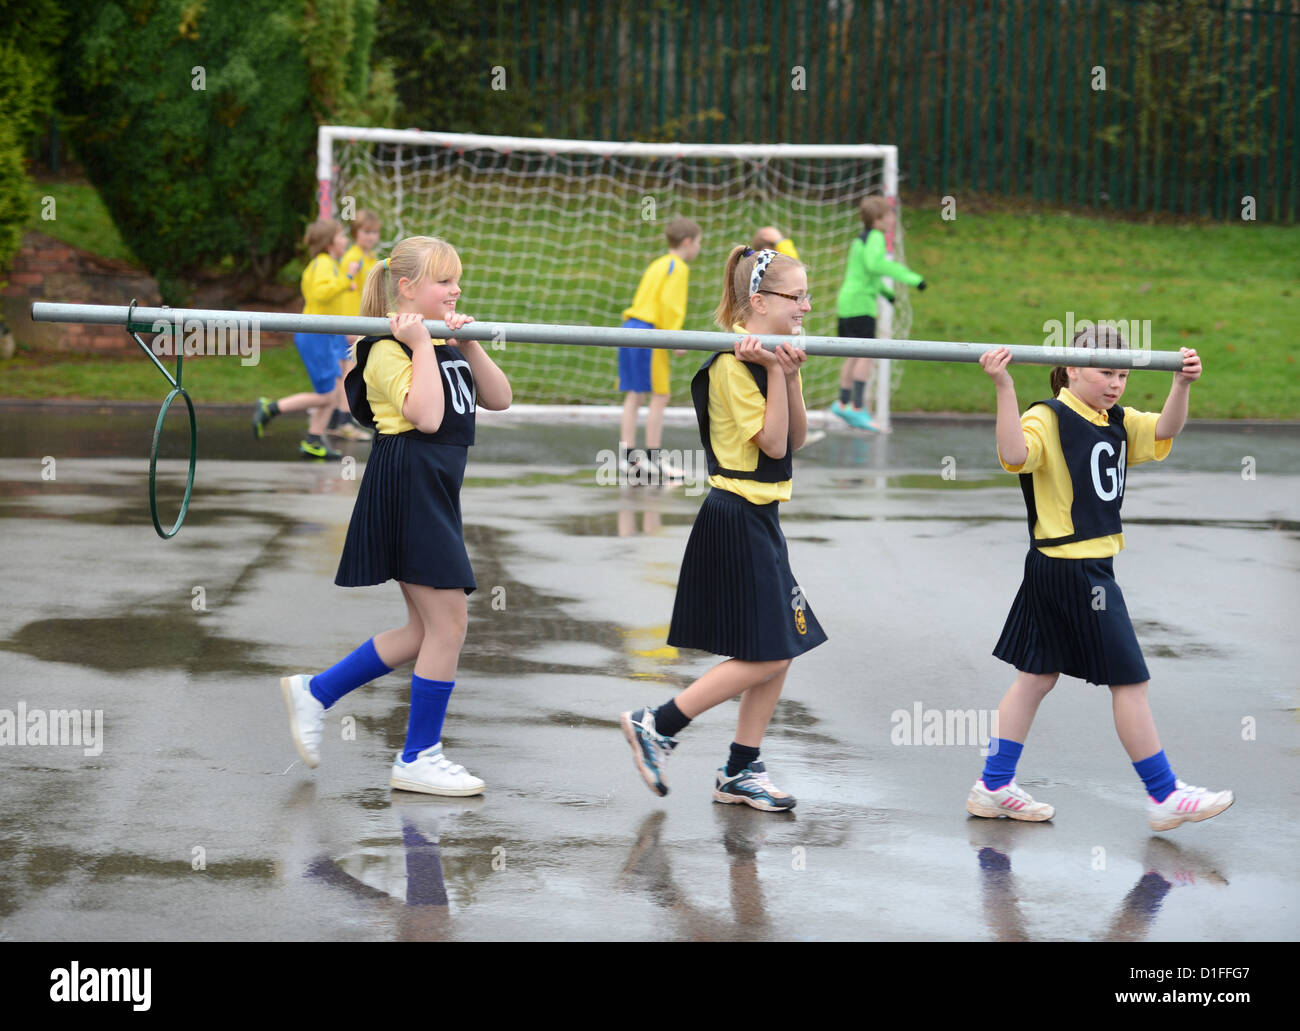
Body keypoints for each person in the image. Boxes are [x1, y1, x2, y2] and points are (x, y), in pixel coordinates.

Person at [968, 325, 1233, 831]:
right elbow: (1015, 457)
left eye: (1123, 375)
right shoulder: (1047, 416)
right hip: (1075, 569)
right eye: (1104, 372)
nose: (1114, 384)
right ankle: (1165, 794)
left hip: (1066, 564)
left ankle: (994, 784)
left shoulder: (1114, 419)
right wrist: (1003, 387)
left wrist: (1182, 384)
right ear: (1070, 368)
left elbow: (1164, 431)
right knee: (1130, 681)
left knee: (1037, 675)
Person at [278, 236, 512, 795]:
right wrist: (424, 346)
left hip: (434, 490)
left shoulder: (440, 340)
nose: (456, 290)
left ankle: (316, 691)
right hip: (407, 485)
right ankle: (417, 755)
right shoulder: (388, 347)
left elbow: (499, 398)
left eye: (458, 280)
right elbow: (427, 418)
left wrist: (468, 345)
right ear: (406, 288)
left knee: (424, 629)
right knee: (449, 621)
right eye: (443, 281)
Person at [621, 245, 826, 812]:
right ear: (758, 302)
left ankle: (740, 768)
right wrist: (771, 373)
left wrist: (790, 377)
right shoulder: (732, 367)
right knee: (768, 652)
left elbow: (799, 439)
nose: (806, 305)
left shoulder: (767, 361)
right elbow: (774, 443)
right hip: (735, 514)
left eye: (808, 295)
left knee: (781, 647)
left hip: (763, 514)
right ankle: (657, 722)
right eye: (797, 296)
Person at [251, 219, 363, 459]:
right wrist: (347, 279)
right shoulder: (323, 263)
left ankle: (313, 440)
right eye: (341, 236)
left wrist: (345, 285)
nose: (345, 240)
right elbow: (320, 293)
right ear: (329, 242)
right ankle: (271, 408)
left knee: (333, 394)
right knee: (327, 395)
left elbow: (324, 295)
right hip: (316, 335)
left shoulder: (326, 264)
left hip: (324, 334)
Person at [617, 216, 702, 483]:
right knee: (660, 395)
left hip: (630, 328)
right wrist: (673, 337)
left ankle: (627, 457)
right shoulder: (678, 267)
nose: (699, 248)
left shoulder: (658, 264)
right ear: (687, 242)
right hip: (650, 333)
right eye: (699, 242)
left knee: (635, 395)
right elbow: (669, 305)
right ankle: (654, 459)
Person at [833, 196, 925, 432]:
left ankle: (842, 402)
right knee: (866, 355)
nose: (894, 219)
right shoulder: (875, 237)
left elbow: (865, 274)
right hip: (861, 305)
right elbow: (876, 266)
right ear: (878, 219)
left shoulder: (859, 240)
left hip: (847, 302)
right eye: (890, 214)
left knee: (851, 355)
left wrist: (886, 293)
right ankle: (857, 407)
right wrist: (912, 278)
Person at [330, 210, 384, 441]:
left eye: (374, 232)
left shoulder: (370, 257)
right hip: (351, 324)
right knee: (347, 372)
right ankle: (342, 420)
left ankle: (338, 419)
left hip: (362, 322)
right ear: (356, 233)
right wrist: (351, 325)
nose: (371, 237)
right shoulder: (353, 257)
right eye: (366, 232)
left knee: (347, 371)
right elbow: (347, 295)